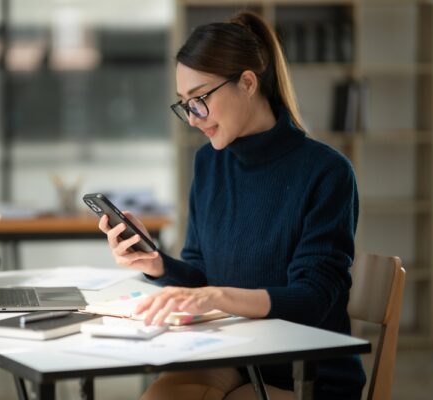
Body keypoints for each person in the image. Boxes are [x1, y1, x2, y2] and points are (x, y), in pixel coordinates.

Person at [97, 10, 366, 400]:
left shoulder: (326, 172)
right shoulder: (209, 164)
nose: (192, 118)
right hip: (232, 353)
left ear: (247, 83)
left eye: (200, 98)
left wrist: (220, 296)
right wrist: (156, 264)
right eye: (184, 104)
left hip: (308, 374)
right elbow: (201, 274)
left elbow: (314, 298)